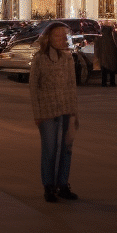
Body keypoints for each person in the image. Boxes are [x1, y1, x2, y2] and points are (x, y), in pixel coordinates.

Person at [29, 22, 80, 203]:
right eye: (57, 36)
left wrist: (74, 113)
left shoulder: (68, 58)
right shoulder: (40, 58)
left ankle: (63, 184)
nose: (61, 39)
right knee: (50, 149)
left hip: (66, 108)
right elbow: (34, 87)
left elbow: (72, 86)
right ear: (48, 37)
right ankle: (49, 186)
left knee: (66, 148)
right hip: (47, 111)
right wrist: (37, 114)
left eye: (64, 36)